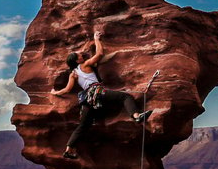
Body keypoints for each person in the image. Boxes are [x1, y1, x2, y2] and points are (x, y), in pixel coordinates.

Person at [52, 29, 151, 159]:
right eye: (79, 55)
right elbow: (99, 54)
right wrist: (96, 39)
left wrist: (55, 92)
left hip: (88, 100)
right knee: (125, 96)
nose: (81, 54)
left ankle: (69, 149)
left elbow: (66, 90)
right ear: (77, 61)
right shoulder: (85, 64)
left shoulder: (73, 74)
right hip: (97, 92)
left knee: (83, 125)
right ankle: (136, 116)